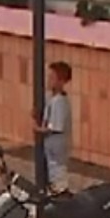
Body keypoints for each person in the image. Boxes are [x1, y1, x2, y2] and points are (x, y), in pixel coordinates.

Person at [35, 61, 73, 194]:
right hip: (50, 147)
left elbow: (54, 127)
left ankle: (62, 195)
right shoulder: (51, 97)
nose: (48, 81)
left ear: (61, 81)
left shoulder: (60, 102)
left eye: (52, 78)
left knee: (58, 174)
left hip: (57, 148)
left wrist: (37, 129)